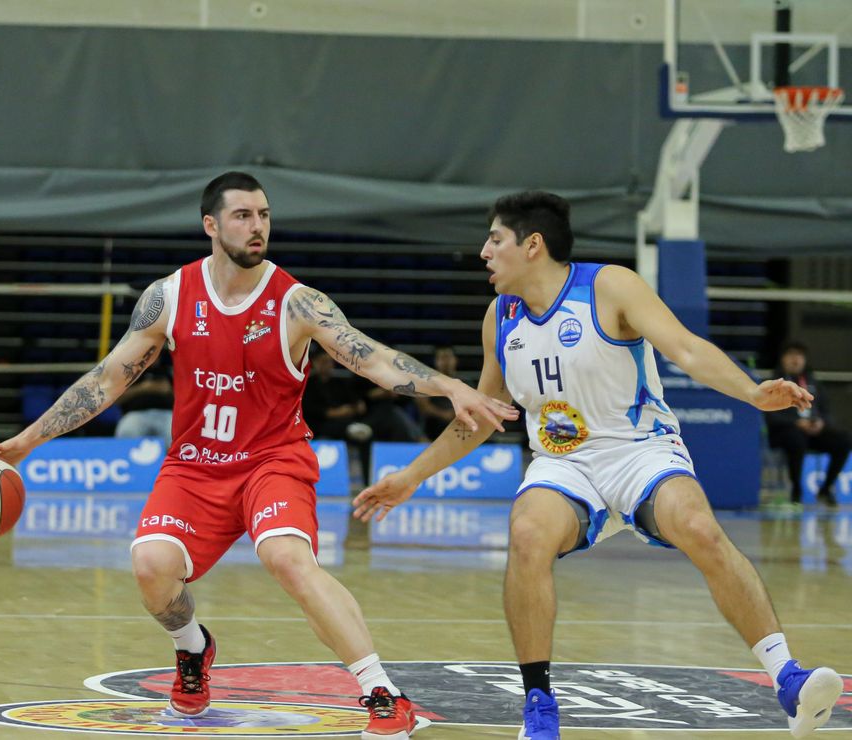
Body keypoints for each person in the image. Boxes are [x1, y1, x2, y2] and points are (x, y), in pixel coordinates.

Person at [0, 171, 516, 740]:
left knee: (289, 560)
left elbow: (374, 360)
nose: (257, 225)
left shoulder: (297, 302)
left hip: (273, 460)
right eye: (243, 216)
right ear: (211, 225)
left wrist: (451, 387)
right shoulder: (168, 296)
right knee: (150, 568)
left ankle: (382, 693)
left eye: (263, 214)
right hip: (194, 464)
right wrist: (27, 442)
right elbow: (106, 380)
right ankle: (193, 650)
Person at [353, 191, 843, 739]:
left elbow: (685, 348)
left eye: (495, 239)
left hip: (639, 449)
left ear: (532, 244)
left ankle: (789, 679)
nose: (484, 252)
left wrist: (752, 393)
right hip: (563, 465)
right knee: (527, 532)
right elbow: (481, 418)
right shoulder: (500, 317)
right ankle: (539, 708)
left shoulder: (609, 286)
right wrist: (410, 476)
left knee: (700, 527)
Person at [765, 340, 849, 508]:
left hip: (811, 432)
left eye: (799, 356)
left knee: (844, 441)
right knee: (797, 440)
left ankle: (825, 489)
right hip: (785, 432)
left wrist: (820, 423)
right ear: (783, 359)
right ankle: (796, 490)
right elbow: (770, 415)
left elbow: (825, 411)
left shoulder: (813, 383)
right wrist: (796, 422)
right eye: (791, 355)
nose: (796, 359)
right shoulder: (773, 383)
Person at [114, 354, 174, 448]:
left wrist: (169, 391)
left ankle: (174, 461)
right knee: (127, 428)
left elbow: (183, 397)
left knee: (174, 431)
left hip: (165, 414)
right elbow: (117, 399)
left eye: (156, 355)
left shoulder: (167, 371)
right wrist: (144, 388)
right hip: (136, 414)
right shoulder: (131, 373)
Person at [415, 347, 459, 439]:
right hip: (433, 427)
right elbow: (423, 407)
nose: (446, 362)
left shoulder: (465, 383)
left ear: (455, 360)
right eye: (442, 358)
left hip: (459, 423)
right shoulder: (427, 382)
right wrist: (444, 415)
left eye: (448, 357)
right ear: (436, 361)